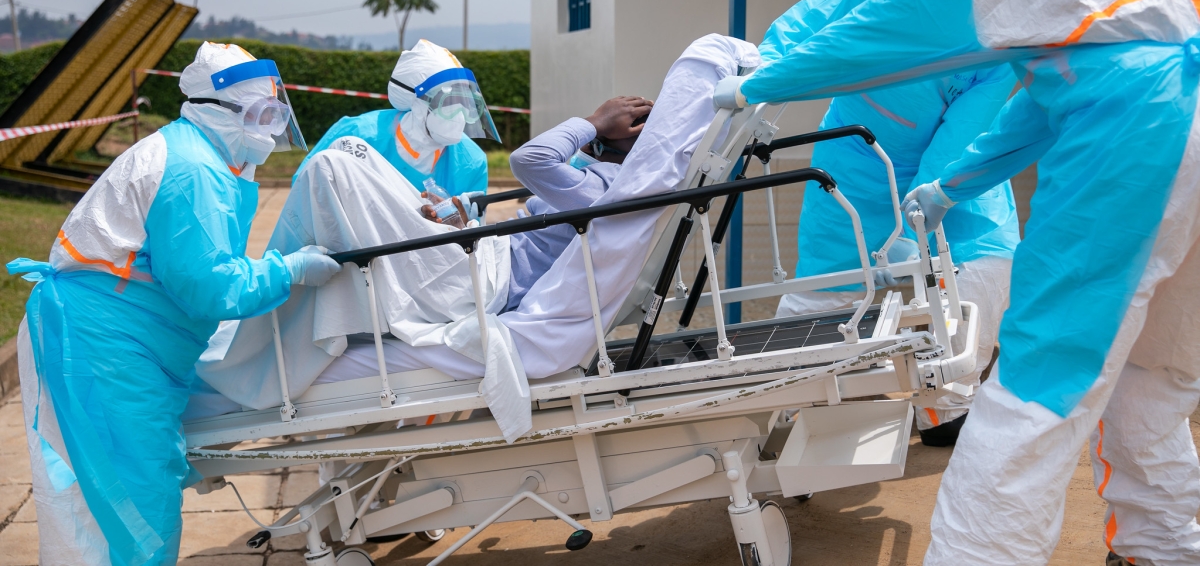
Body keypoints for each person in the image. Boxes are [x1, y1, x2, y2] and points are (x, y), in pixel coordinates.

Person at [716, 0, 1200, 562]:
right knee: (1157, 370)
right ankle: (1160, 548)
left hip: (1139, 127)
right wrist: (950, 189)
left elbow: (895, 21)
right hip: (1169, 113)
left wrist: (758, 84)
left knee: (1039, 384)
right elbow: (1040, 99)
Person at [194, 34, 758, 443]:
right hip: (479, 257)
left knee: (333, 171)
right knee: (342, 167)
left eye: (624, 131)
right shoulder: (604, 185)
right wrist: (459, 215)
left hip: (482, 278)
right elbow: (526, 198)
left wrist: (593, 120)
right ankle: (270, 310)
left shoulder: (606, 190)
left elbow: (531, 159)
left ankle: (255, 334)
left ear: (625, 147)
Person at [7, 42, 341, 566]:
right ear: (215, 110)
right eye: (258, 115)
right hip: (104, 341)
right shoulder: (192, 170)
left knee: (117, 491)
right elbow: (209, 287)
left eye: (275, 114)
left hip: (122, 336)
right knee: (135, 497)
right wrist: (290, 269)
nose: (269, 130)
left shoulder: (206, 156)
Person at [764, 0, 1020, 446]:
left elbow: (957, 143)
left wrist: (922, 215)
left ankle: (944, 404)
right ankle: (778, 399)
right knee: (823, 286)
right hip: (855, 158)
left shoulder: (1000, 36)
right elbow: (814, 17)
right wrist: (760, 67)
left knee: (984, 272)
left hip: (954, 170)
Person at [298, 39, 498, 196]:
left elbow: (470, 233)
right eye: (448, 103)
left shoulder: (471, 162)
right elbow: (306, 186)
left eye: (467, 105)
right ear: (417, 104)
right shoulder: (357, 135)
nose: (459, 117)